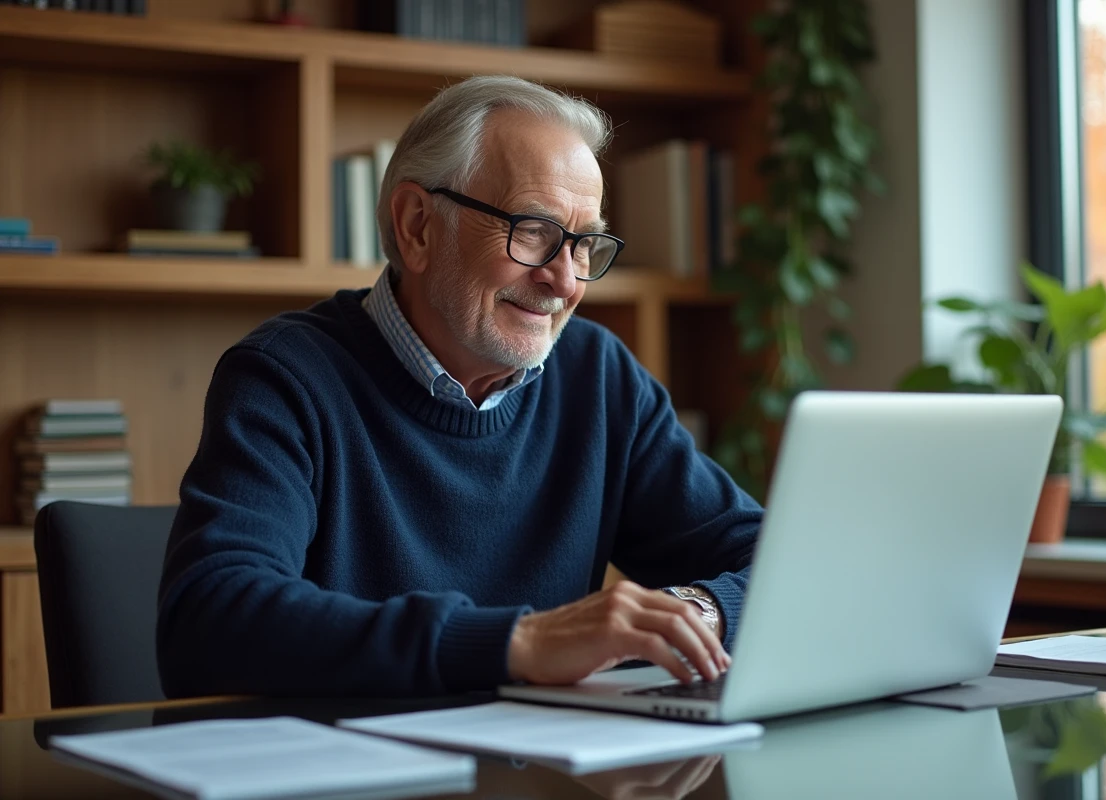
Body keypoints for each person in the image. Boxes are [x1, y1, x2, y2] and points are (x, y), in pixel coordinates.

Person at [156, 75, 762, 699]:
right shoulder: (287, 377)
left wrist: (698, 613)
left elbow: (784, 561)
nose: (566, 282)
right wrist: (519, 645)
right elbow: (208, 623)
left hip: (545, 776)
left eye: (583, 246)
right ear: (418, 225)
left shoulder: (599, 377)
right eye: (534, 231)